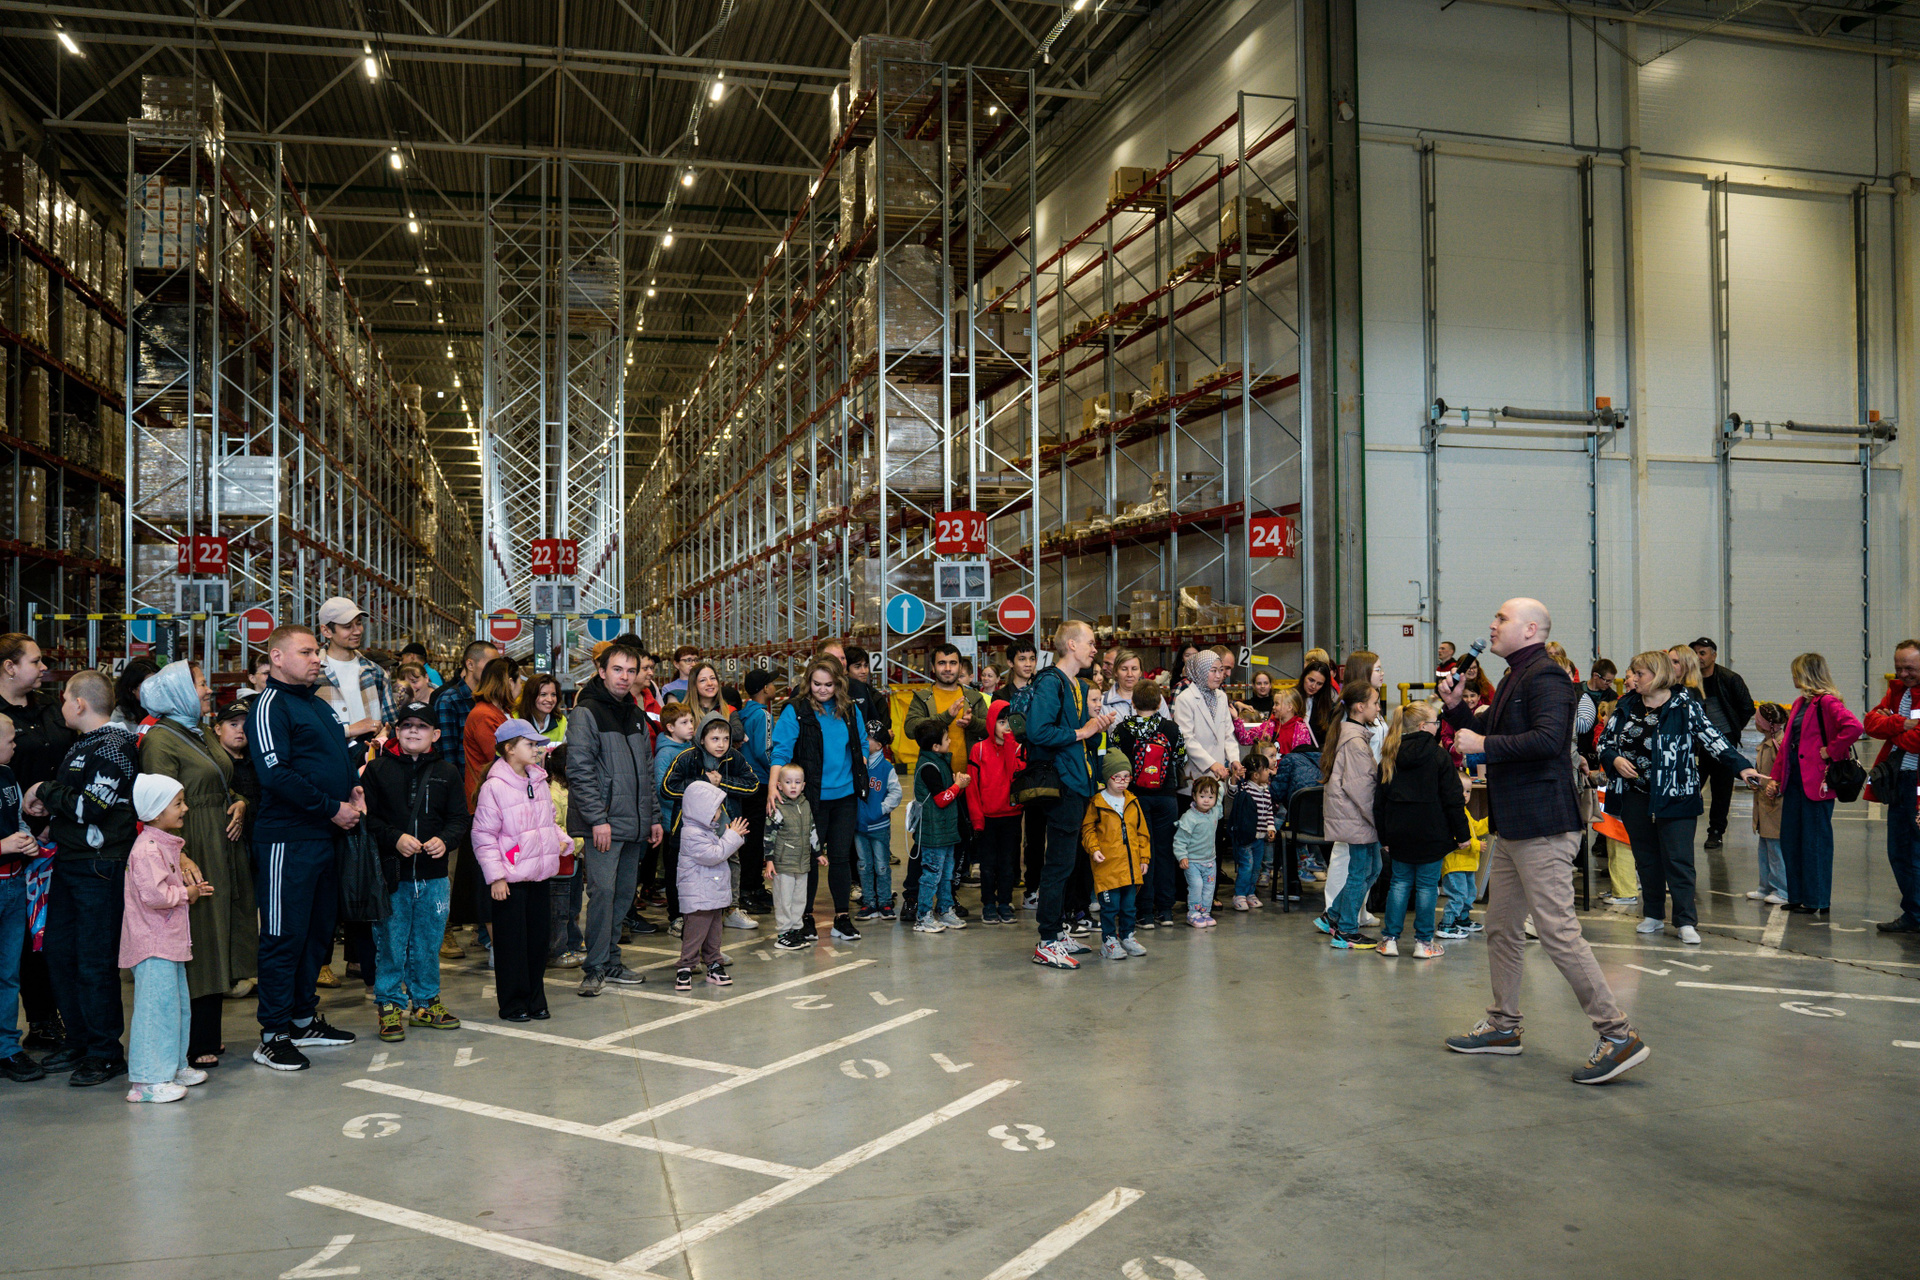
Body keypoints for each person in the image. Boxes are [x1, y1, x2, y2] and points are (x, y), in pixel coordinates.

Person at [1439, 598, 1648, 1085]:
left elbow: (1549, 741)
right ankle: (1503, 1025)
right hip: (1515, 826)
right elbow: (1485, 731)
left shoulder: (1548, 677)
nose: (1492, 625)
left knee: (1557, 931)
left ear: (1531, 629)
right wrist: (1455, 708)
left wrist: (1483, 745)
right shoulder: (1515, 674)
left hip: (1543, 825)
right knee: (1501, 927)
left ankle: (1618, 1034)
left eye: (1501, 618)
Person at [243, 625, 364, 1071]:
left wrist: (352, 790)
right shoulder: (269, 706)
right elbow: (276, 774)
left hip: (324, 837)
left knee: (316, 935)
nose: (317, 659)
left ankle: (301, 1020)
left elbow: (333, 760)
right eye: (307, 651)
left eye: (317, 652)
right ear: (276, 657)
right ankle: (273, 1035)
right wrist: (331, 808)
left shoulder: (318, 704)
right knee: (283, 936)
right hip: (286, 841)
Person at [137, 660, 255, 1070]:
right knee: (201, 937)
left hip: (221, 845)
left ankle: (209, 1032)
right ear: (179, 692)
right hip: (194, 846)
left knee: (219, 933)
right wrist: (181, 855)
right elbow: (158, 807)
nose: (208, 690)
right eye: (201, 684)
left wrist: (239, 801)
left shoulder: (200, 731)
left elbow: (221, 781)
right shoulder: (160, 741)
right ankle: (193, 1040)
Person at [1598, 651, 1761, 946]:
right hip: (1635, 796)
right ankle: (1653, 914)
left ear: (1658, 675)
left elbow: (1714, 740)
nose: (1632, 679)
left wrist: (1743, 767)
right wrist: (1615, 760)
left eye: (1639, 674)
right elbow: (1605, 743)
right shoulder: (1626, 704)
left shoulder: (1685, 706)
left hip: (1676, 796)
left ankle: (1685, 920)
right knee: (1646, 858)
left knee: (1678, 860)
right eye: (1633, 673)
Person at [25, 671, 138, 1086]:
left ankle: (105, 1052)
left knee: (94, 962)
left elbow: (92, 807)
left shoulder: (114, 746)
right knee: (61, 955)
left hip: (98, 866)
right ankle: (80, 1040)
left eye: (64, 699)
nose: (61, 707)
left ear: (79, 704)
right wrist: (54, 813)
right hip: (71, 862)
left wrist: (44, 789)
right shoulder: (84, 744)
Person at [360, 701, 468, 1041]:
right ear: (396, 731)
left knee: (428, 943)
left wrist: (445, 840)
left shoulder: (448, 772)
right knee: (390, 943)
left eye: (421, 726)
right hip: (392, 876)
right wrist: (394, 837)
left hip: (434, 877)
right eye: (406, 725)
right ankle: (389, 1005)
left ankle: (425, 1003)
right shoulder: (377, 770)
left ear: (435, 734)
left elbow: (459, 819)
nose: (413, 731)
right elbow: (368, 819)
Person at [566, 642, 664, 996]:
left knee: (623, 896)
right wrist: (597, 819)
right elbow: (579, 770)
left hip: (634, 822)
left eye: (631, 671)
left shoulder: (635, 713)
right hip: (605, 824)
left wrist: (653, 817)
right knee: (603, 894)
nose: (624, 677)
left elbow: (646, 770)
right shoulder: (586, 712)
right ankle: (594, 967)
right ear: (602, 671)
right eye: (617, 669)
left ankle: (610, 960)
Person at [1025, 621, 1114, 970]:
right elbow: (1038, 731)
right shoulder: (1051, 682)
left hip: (1077, 783)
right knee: (1058, 864)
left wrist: (1094, 727)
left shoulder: (1077, 685)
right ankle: (1047, 940)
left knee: (1068, 863)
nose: (1095, 649)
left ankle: (1057, 930)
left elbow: (1079, 734)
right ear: (1072, 645)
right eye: (1090, 642)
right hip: (1061, 784)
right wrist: (1082, 731)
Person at [0, 634, 73, 1054]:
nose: (44, 667)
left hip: (59, 832)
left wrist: (54, 815)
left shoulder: (50, 709)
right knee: (21, 942)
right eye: (36, 660)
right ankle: (31, 1024)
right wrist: (27, 829)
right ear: (9, 667)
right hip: (16, 842)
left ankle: (50, 1018)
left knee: (51, 930)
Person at [121, 775, 212, 1103]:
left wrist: (190, 891)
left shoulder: (162, 843)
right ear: (157, 812)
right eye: (178, 803)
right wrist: (188, 893)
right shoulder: (147, 849)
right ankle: (146, 1080)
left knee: (176, 1007)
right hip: (153, 945)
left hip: (168, 942)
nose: (185, 808)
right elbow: (154, 895)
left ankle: (172, 1066)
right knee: (155, 1011)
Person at [471, 719, 567, 1022]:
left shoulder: (538, 781)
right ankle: (513, 1003)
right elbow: (484, 836)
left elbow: (548, 820)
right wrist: (497, 877)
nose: (537, 749)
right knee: (512, 944)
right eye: (530, 744)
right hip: (510, 879)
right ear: (510, 749)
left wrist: (560, 840)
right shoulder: (494, 787)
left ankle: (536, 999)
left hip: (539, 875)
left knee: (537, 942)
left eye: (537, 745)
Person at [768, 657, 869, 943]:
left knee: (840, 858)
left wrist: (860, 764)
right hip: (810, 799)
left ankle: (842, 918)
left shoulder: (849, 709)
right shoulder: (796, 710)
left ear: (839, 684)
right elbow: (781, 750)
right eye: (816, 684)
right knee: (809, 860)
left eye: (829, 684)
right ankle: (806, 917)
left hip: (845, 797)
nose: (822, 690)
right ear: (808, 682)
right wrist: (772, 787)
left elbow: (862, 742)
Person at [1372, 700, 1469, 959]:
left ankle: (1389, 940)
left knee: (1399, 883)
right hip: (1432, 833)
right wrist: (1463, 834)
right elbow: (1453, 799)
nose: (1439, 727)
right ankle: (1423, 943)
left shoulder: (1390, 755)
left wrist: (1384, 835)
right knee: (1427, 886)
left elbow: (1380, 802)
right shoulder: (1440, 756)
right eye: (1437, 722)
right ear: (1424, 726)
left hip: (1399, 832)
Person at [1769, 652, 1863, 916]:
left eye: (1796, 672)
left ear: (1807, 674)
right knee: (1791, 839)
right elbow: (1787, 745)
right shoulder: (1800, 703)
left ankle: (1817, 899)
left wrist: (1831, 750)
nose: (1793, 677)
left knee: (1815, 842)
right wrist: (1776, 778)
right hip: (1795, 781)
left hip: (1817, 782)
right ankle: (1798, 895)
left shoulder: (1828, 702)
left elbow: (1854, 728)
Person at [661, 712, 761, 930]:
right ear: (702, 738)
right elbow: (668, 787)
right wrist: (703, 781)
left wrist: (722, 781)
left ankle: (731, 909)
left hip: (727, 825)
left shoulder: (735, 758)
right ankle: (678, 915)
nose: (721, 744)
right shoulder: (687, 758)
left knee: (731, 864)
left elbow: (752, 785)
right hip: (690, 829)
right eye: (715, 739)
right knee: (683, 869)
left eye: (726, 739)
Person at [1112, 681, 1185, 929]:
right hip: (1166, 797)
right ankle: (1165, 910)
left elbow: (1114, 760)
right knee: (1165, 852)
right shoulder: (1171, 728)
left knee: (1140, 852)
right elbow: (1180, 758)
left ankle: (1143, 912)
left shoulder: (1122, 729)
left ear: (1133, 703)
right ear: (1159, 703)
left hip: (1135, 798)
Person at [1319, 683, 1383, 949]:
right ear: (1360, 707)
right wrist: (1380, 820)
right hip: (1358, 817)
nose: (1378, 708)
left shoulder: (1353, 736)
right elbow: (1361, 789)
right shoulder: (1355, 742)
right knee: (1360, 872)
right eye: (1375, 703)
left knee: (1373, 868)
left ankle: (1333, 915)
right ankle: (1346, 930)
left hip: (1357, 817)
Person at [0, 716, 46, 1081]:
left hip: (14, 886)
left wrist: (26, 837)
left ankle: (7, 1049)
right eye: (10, 741)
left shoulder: (8, 777)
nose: (16, 747)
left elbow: (17, 821)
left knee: (8, 974)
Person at [1863, 640, 1920, 934]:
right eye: (1899, 668)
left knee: (1914, 851)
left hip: (1916, 787)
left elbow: (1917, 741)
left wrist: (1891, 727)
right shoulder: (1897, 691)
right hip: (1900, 783)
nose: (1903, 674)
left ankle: (1916, 914)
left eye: (1909, 668)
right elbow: (1870, 723)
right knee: (1898, 851)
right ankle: (1914, 913)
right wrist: (1900, 723)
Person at [1683, 638, 1755, 851]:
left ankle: (1716, 832)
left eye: (1703, 653)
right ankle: (1682, 830)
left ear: (1713, 655)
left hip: (1724, 742)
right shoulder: (1688, 682)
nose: (1698, 657)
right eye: (1695, 653)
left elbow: (1747, 706)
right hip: (1697, 746)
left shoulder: (1730, 679)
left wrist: (1731, 730)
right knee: (1690, 788)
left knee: (1721, 790)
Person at [1082, 750, 1151, 959]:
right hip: (1108, 868)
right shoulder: (1097, 802)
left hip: (1130, 868)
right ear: (1107, 777)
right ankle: (1109, 941)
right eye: (1117, 777)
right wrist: (1094, 849)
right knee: (1110, 907)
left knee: (1129, 907)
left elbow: (1142, 832)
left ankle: (1127, 936)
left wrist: (1144, 858)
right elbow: (1088, 829)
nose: (1123, 782)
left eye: (1126, 777)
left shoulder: (1132, 801)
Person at [676, 781, 744, 990]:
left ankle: (714, 963)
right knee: (695, 933)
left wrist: (730, 836)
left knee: (714, 933)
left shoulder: (707, 831)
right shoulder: (691, 833)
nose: (719, 813)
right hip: (698, 896)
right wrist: (732, 836)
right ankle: (685, 967)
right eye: (715, 809)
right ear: (700, 809)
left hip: (711, 894)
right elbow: (713, 855)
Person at [965, 699, 1023, 925]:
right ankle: (989, 903)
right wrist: (977, 820)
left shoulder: (1017, 748)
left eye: (1009, 721)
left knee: (1008, 864)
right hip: (987, 818)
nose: (1006, 726)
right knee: (987, 865)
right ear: (991, 723)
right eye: (1001, 722)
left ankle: (1005, 902)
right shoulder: (978, 750)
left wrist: (1009, 745)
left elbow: (1015, 776)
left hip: (1011, 816)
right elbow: (972, 788)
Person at [910, 718, 969, 934]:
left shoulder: (940, 761)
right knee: (931, 875)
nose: (950, 741)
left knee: (946, 874)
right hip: (934, 832)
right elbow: (941, 799)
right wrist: (958, 785)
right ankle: (923, 916)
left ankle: (945, 909)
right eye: (946, 739)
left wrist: (956, 784)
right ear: (935, 746)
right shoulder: (929, 767)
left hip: (946, 830)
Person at [316, 598, 394, 745]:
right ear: (326, 631)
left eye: (358, 623)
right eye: (347, 626)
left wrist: (384, 734)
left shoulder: (375, 673)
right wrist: (347, 731)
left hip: (369, 755)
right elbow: (303, 730)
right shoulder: (313, 673)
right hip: (326, 755)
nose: (357, 631)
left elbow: (391, 723)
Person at [766, 765, 822, 949]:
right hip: (783, 863)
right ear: (779, 785)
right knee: (784, 899)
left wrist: (818, 853)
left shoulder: (805, 805)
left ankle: (796, 929)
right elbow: (769, 835)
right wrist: (769, 861)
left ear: (803, 785)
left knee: (799, 899)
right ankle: (783, 933)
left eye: (797, 782)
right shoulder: (777, 807)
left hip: (802, 862)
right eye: (788, 782)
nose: (793, 786)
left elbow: (811, 829)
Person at [1174, 650, 1240, 804]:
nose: (1218, 676)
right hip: (1194, 778)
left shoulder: (1221, 696)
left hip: (1217, 779)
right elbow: (1187, 739)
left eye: (1221, 670)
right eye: (1213, 671)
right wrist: (1211, 764)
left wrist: (1234, 759)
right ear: (1200, 671)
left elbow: (1228, 734)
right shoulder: (1185, 699)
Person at [653, 702, 697, 930]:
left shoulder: (691, 749)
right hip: (674, 822)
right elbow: (662, 789)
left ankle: (690, 912)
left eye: (691, 721)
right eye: (684, 722)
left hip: (693, 821)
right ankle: (675, 915)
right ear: (670, 727)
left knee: (690, 871)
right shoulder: (665, 754)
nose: (691, 726)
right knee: (675, 872)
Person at [855, 721, 902, 923]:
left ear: (879, 745)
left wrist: (880, 809)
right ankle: (869, 902)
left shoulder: (885, 767)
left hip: (879, 826)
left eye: (868, 738)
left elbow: (896, 793)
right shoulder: (857, 764)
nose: (864, 740)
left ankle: (884, 902)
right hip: (859, 826)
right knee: (863, 865)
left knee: (882, 865)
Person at [432, 641, 501, 768]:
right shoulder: (449, 701)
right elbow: (447, 755)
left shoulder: (491, 699)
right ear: (470, 665)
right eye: (490, 665)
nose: (495, 671)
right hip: (462, 778)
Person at [1747, 702, 1790, 906]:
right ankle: (1765, 886)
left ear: (1764, 724)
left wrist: (1777, 787)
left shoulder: (1780, 745)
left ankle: (1782, 889)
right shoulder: (1767, 743)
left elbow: (1786, 774)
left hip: (1776, 806)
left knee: (1776, 850)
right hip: (1765, 804)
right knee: (1764, 848)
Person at [462, 658, 518, 806]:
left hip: (501, 796)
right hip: (487, 800)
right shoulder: (484, 715)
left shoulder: (503, 711)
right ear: (510, 682)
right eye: (520, 681)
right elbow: (500, 759)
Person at [1226, 753, 1278, 911]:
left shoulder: (1266, 791)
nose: (1269, 772)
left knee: (1256, 867)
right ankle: (1239, 894)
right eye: (1266, 769)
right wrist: (1234, 778)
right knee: (1246, 866)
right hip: (1246, 837)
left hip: (1260, 838)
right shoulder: (1246, 788)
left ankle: (1250, 893)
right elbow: (1232, 792)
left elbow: (1269, 812)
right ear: (1255, 775)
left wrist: (1270, 828)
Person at [1174, 776, 1222, 927]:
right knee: (1196, 886)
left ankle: (1205, 912)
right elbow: (1180, 839)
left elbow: (1220, 798)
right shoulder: (1189, 817)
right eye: (1202, 796)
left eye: (1211, 797)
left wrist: (1223, 782)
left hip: (1210, 861)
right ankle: (1193, 913)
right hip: (1193, 862)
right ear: (1194, 796)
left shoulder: (1214, 812)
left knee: (1209, 888)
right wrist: (1182, 856)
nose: (1206, 800)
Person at [1299, 661, 1338, 748]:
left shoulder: (1328, 706)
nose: (1313, 686)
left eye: (1319, 684)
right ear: (1304, 676)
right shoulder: (1289, 698)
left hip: (1316, 753)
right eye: (1311, 680)